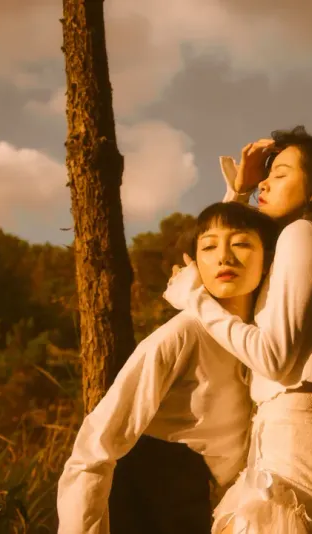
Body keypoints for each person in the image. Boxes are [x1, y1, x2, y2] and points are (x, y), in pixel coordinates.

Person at [165, 126, 312, 533]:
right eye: (267, 175)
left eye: (280, 174)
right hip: (284, 436)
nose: (265, 182)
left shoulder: (304, 234)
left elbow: (273, 357)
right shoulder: (305, 241)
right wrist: (240, 191)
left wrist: (194, 297)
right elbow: (223, 264)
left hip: (295, 438)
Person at [57, 201, 280, 534]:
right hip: (151, 496)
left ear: (268, 262)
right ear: (194, 266)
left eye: (240, 243)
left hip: (208, 502)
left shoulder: (260, 340)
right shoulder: (183, 333)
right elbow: (96, 442)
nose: (224, 257)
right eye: (209, 247)